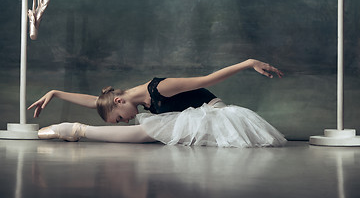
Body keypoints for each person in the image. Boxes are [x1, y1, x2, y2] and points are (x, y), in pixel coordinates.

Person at [28, 59, 287, 148]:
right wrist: (55, 92)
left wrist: (248, 63)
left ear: (118, 100)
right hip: (193, 121)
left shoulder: (160, 87)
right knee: (152, 128)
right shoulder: (139, 103)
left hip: (214, 116)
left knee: (147, 131)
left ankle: (76, 130)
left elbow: (208, 79)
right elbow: (95, 102)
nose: (124, 121)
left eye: (119, 118)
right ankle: (76, 130)